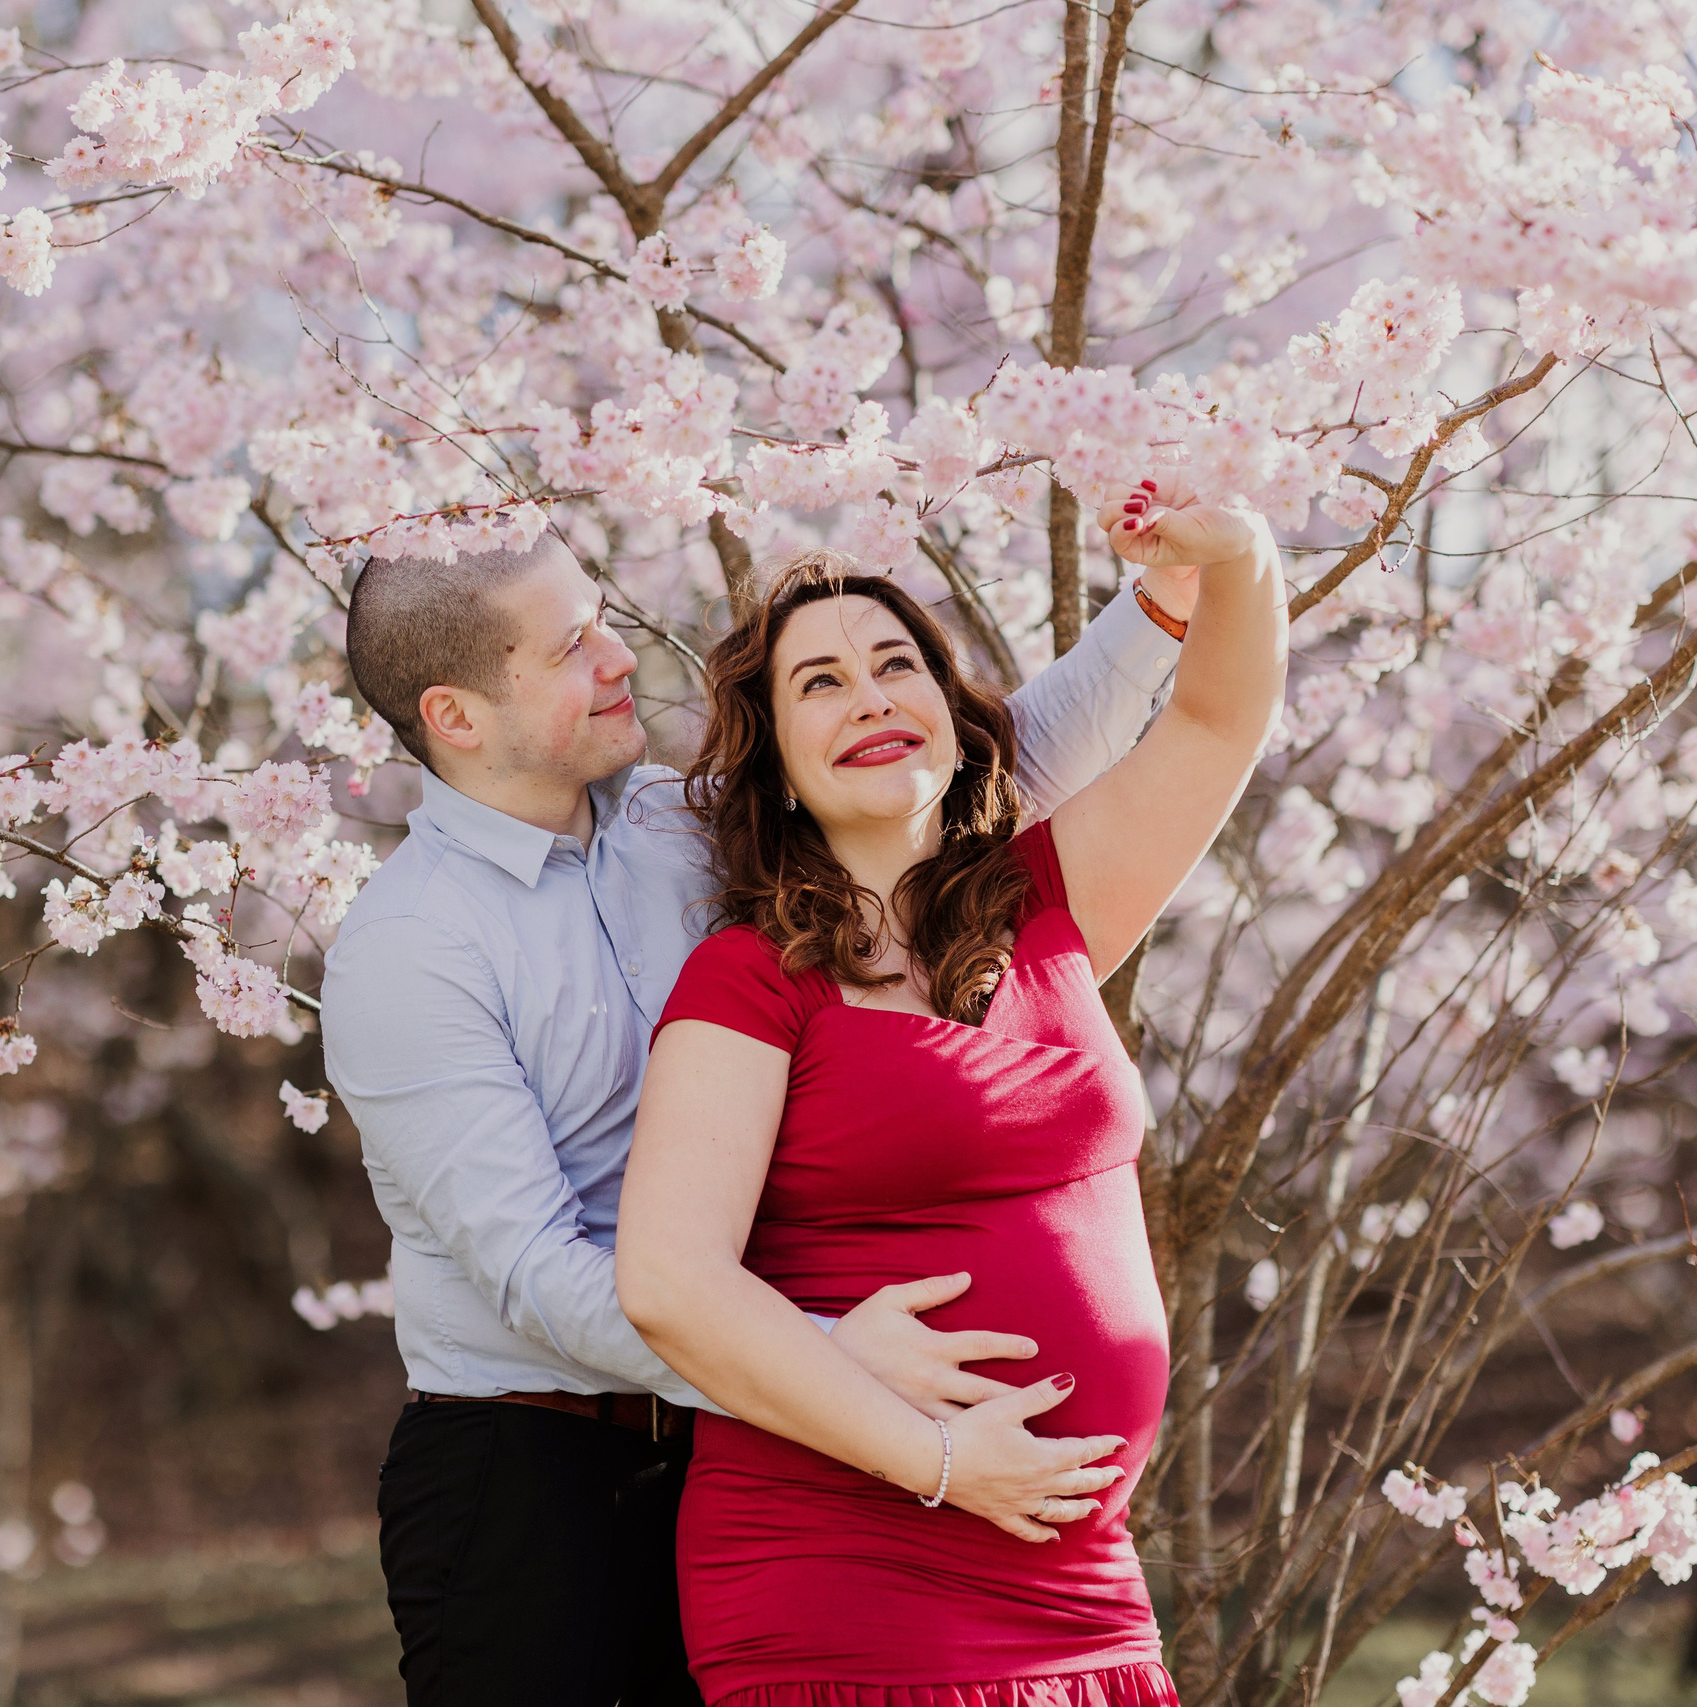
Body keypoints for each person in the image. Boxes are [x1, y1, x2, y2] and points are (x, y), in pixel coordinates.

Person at [320, 524, 1201, 1707]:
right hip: (533, 1477)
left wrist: (1159, 614)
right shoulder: (408, 951)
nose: (622, 655)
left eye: (604, 617)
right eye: (573, 644)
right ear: (459, 716)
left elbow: (953, 766)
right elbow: (532, 1270)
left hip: (768, 1453)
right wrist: (822, 1346)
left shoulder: (683, 833)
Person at [614, 485, 1287, 1707]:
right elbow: (668, 1281)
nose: (869, 695)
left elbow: (1221, 713)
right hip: (847, 1566)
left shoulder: (1048, 897)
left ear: (951, 709)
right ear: (771, 757)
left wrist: (1233, 547)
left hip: (1075, 1571)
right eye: (818, 682)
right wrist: (938, 1461)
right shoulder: (750, 979)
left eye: (894, 664)